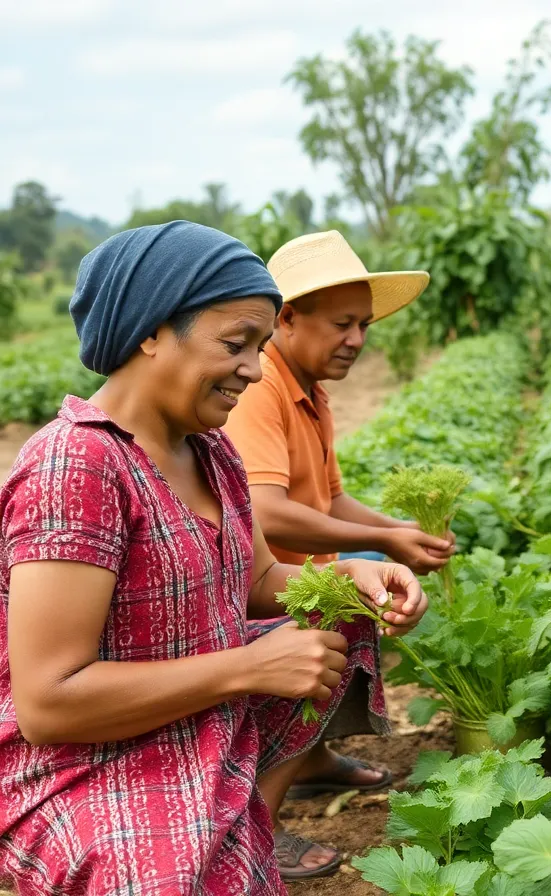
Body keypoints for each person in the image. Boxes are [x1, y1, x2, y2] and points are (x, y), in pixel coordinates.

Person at [0, 221, 429, 894]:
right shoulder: (76, 464)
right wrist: (248, 667)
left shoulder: (209, 448)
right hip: (90, 757)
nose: (255, 369)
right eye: (236, 344)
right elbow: (49, 705)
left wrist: (354, 575)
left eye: (260, 346)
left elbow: (257, 579)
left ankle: (247, 817)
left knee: (337, 619)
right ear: (150, 331)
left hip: (197, 712)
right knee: (167, 877)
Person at [222, 230, 453, 808]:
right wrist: (382, 540)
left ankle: (310, 759)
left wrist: (400, 534)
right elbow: (267, 515)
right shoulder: (260, 389)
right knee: (348, 603)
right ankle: (258, 821)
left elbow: (330, 500)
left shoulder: (311, 389)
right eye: (341, 324)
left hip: (296, 583)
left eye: (364, 326)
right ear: (290, 319)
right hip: (251, 594)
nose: (356, 340)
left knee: (361, 579)